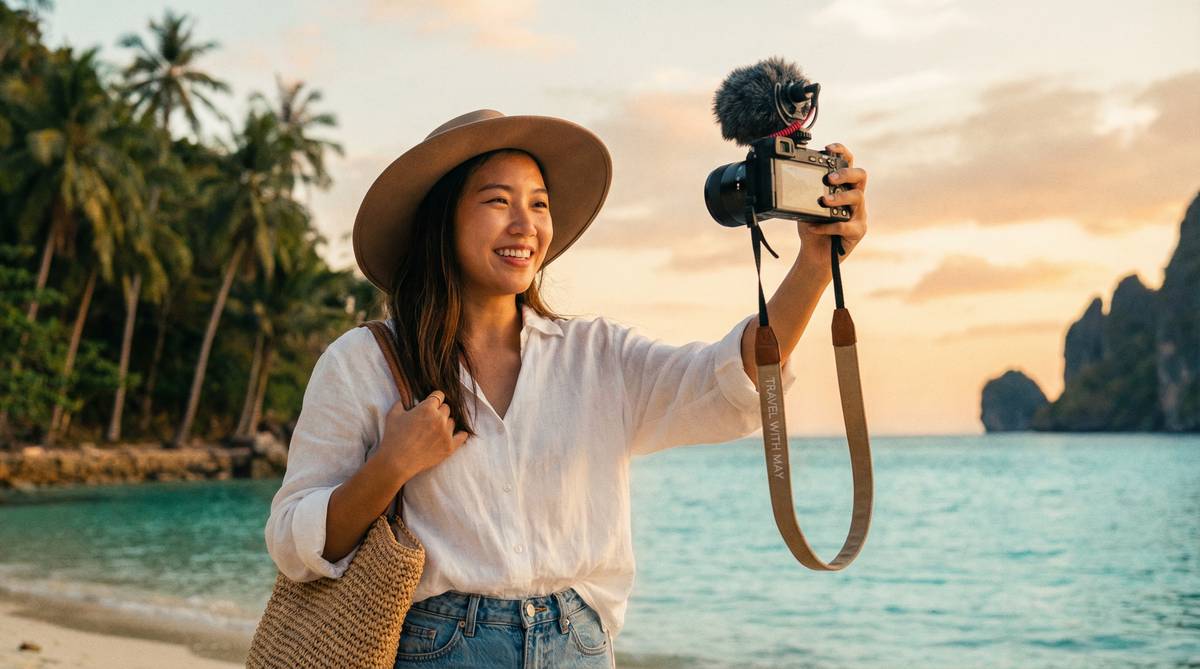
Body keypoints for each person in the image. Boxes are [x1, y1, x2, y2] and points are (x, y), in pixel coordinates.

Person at [263, 109, 869, 668]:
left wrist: (815, 266)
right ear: (441, 219)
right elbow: (293, 543)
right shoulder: (363, 363)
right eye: (498, 201)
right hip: (436, 649)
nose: (525, 224)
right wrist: (389, 467)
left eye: (539, 204)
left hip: (577, 646)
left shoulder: (596, 355)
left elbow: (724, 382)